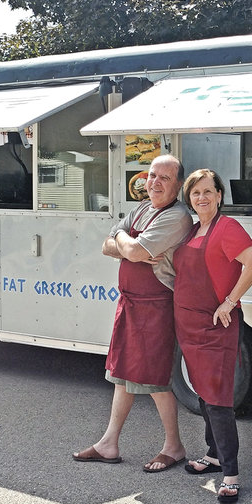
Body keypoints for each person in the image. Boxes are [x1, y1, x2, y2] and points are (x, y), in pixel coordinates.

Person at [73, 154, 191, 473]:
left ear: (178, 186)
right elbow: (107, 245)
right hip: (130, 303)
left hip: (156, 306)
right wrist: (128, 244)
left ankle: (174, 446)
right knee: (122, 375)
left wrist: (128, 244)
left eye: (164, 178)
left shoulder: (177, 217)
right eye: (152, 175)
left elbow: (133, 251)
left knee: (154, 380)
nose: (154, 182)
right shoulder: (143, 207)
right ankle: (109, 444)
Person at [173, 169, 252, 504]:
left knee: (219, 399)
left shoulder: (228, 228)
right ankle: (213, 455)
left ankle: (231, 473)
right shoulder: (194, 230)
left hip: (216, 327)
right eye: (195, 194)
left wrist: (229, 301)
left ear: (220, 195)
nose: (202, 198)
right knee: (203, 393)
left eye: (208, 192)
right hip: (190, 326)